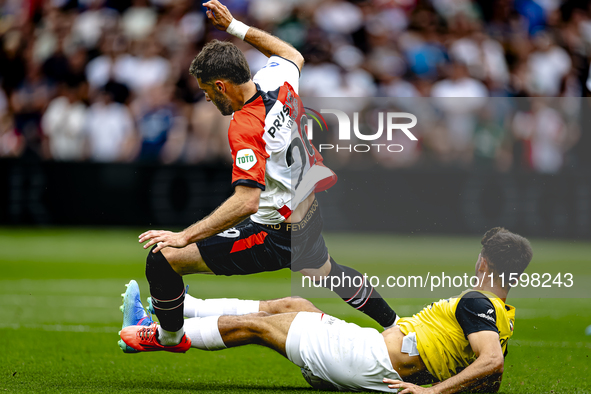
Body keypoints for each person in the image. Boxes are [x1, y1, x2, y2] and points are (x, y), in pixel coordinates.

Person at [134, 0, 397, 352]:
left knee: (163, 259)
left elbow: (248, 200)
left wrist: (185, 235)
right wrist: (235, 27)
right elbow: (291, 53)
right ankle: (397, 326)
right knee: (326, 271)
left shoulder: (244, 126)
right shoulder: (276, 79)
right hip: (307, 214)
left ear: (222, 86)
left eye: (208, 90)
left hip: (272, 235)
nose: (209, 99)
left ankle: (168, 336)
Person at [120, 227, 533, 393]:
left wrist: (430, 390)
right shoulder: (502, 313)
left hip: (366, 360)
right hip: (370, 356)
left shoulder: (478, 302)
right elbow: (489, 379)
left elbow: (491, 363)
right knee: (293, 305)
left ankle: (155, 335)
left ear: (484, 262)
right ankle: (180, 306)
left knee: (256, 326)